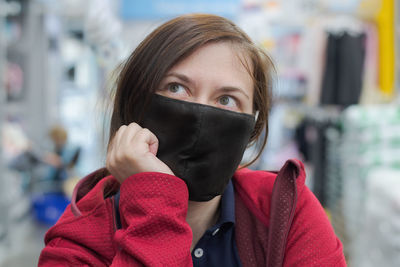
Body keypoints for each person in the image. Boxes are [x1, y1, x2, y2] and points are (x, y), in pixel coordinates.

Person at [38, 14, 346, 266]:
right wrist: (154, 201)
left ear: (252, 127)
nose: (200, 114)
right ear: (134, 104)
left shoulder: (286, 211)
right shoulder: (76, 241)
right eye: (176, 88)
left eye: (226, 99)